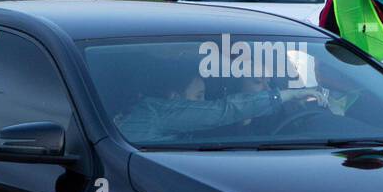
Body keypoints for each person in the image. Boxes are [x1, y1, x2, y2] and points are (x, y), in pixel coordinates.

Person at [116, 61, 322, 143]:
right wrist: (288, 94)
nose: (205, 103)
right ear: (174, 99)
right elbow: (220, 111)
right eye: (198, 97)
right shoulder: (155, 113)